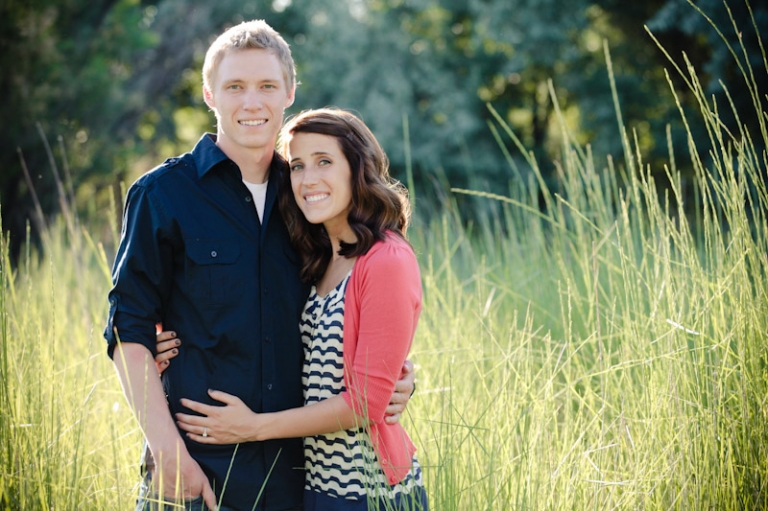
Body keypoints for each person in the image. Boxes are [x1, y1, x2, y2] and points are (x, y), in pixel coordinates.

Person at [105, 20, 414, 511]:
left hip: (302, 480)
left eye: (267, 86)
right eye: (235, 87)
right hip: (199, 473)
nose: (252, 102)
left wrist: (395, 377)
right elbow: (128, 332)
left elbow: (356, 307)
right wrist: (168, 452)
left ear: (289, 91)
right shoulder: (162, 195)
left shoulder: (309, 197)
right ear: (210, 94)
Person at [159, 108, 428, 511]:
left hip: (366, 490)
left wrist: (252, 428)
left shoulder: (386, 258)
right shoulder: (318, 256)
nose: (308, 179)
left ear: (358, 169)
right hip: (313, 487)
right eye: (298, 165)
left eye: (325, 162)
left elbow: (365, 403)